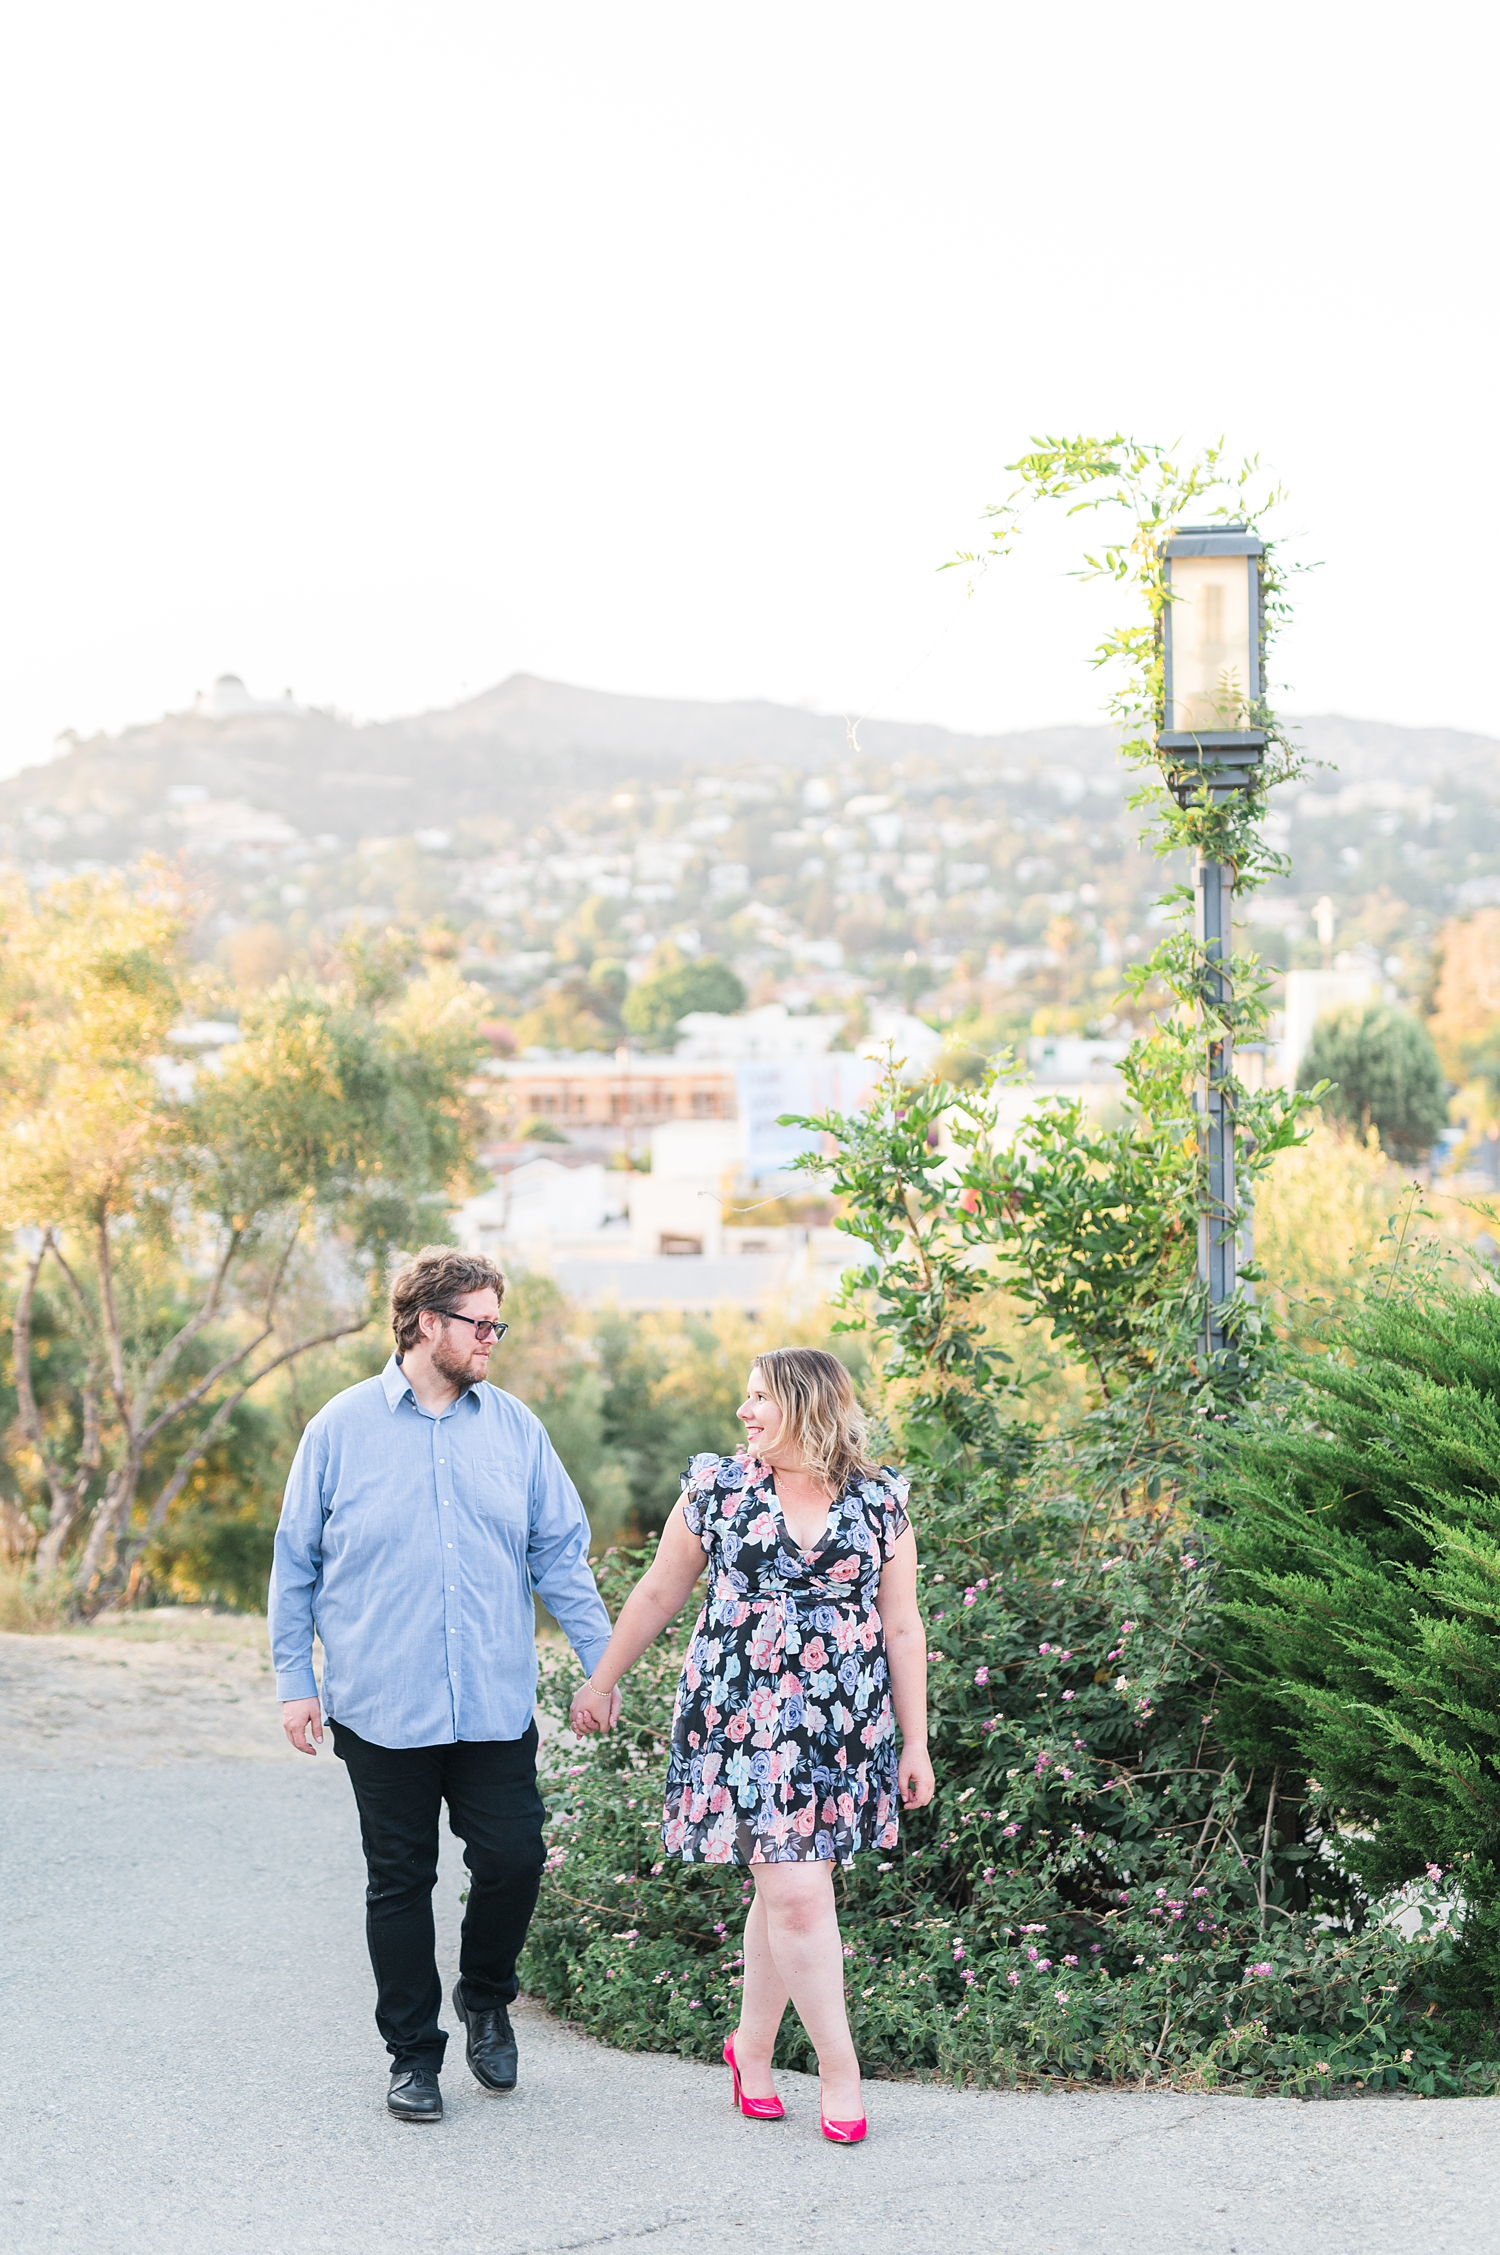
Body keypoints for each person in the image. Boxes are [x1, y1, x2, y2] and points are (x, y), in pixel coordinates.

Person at [269, 1246, 614, 2125]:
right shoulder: (339, 1429)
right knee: (400, 1879)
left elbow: (558, 1556)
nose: (493, 1337)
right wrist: (293, 1680)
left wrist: (601, 1663)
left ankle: (486, 1995)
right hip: (381, 1706)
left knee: (514, 1858)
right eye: (481, 1322)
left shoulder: (516, 1429)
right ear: (428, 1323)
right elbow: (295, 1564)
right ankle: (413, 2057)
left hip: (493, 1699)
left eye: (498, 1322)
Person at [569, 1347, 933, 2143]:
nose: (744, 1410)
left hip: (842, 1725)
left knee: (785, 1893)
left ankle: (753, 2050)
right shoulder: (719, 1488)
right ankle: (841, 2072)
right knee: (800, 1894)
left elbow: (903, 1624)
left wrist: (918, 1741)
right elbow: (661, 1587)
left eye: (759, 1396)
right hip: (741, 1719)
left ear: (804, 1406)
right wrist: (601, 1679)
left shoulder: (879, 1501)